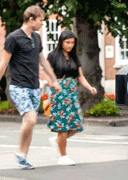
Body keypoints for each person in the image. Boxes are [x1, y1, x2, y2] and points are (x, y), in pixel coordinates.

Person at [0, 5, 61, 169]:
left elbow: (43, 60)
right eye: (41, 20)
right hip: (19, 86)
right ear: (31, 19)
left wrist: (54, 80)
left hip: (34, 86)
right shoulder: (13, 38)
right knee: (31, 118)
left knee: (30, 123)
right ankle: (20, 152)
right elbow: (4, 63)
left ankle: (23, 157)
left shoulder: (36, 37)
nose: (43, 23)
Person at [46, 30, 97, 166]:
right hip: (59, 92)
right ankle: (63, 156)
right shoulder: (53, 56)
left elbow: (80, 76)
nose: (70, 45)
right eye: (67, 42)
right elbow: (47, 74)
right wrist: (52, 86)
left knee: (77, 124)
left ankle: (57, 141)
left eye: (72, 43)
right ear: (61, 42)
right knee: (63, 126)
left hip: (71, 91)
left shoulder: (74, 57)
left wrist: (89, 87)